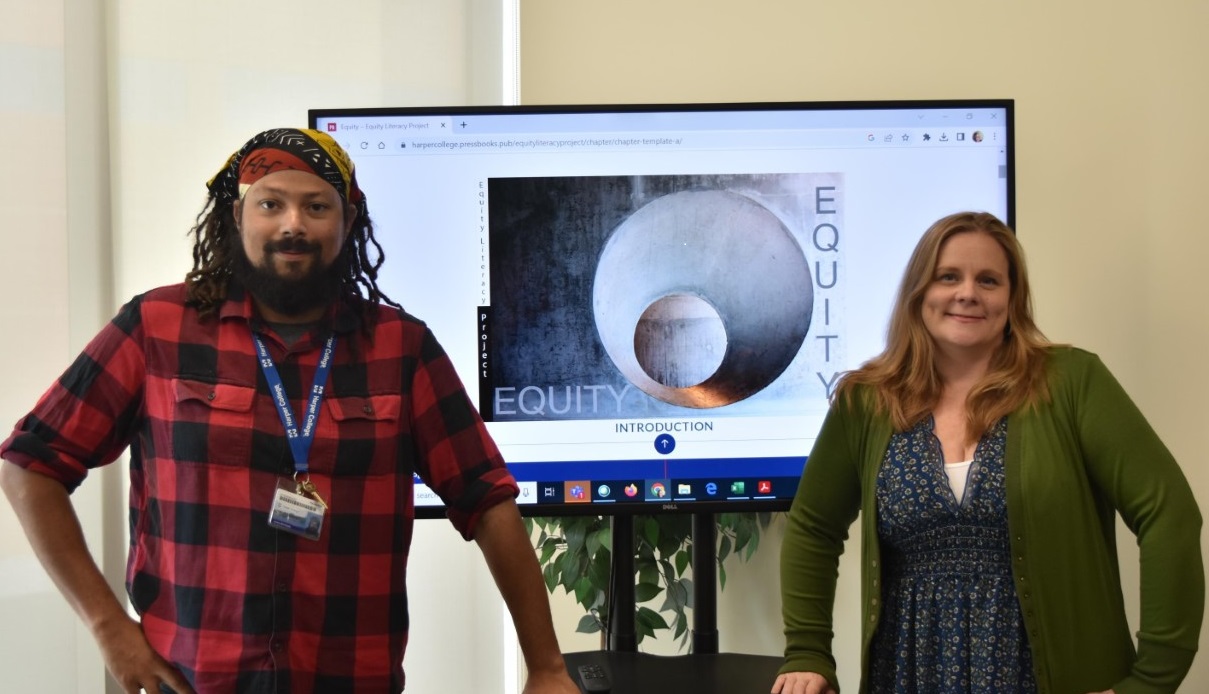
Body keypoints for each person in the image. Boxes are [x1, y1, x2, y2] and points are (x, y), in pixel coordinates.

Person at [0, 128, 579, 694]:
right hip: (189, 680)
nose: (293, 225)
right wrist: (108, 629)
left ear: (348, 222)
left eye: (317, 206)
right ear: (237, 217)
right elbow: (29, 465)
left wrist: (547, 666)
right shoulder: (156, 328)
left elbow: (487, 498)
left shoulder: (402, 347)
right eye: (270, 204)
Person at [773, 211, 1203, 694]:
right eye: (948, 276)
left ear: (1012, 299)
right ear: (920, 292)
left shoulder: (1072, 382)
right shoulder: (867, 402)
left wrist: (1154, 677)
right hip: (910, 673)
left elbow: (1168, 512)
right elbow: (813, 526)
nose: (968, 293)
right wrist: (807, 651)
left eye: (989, 280)